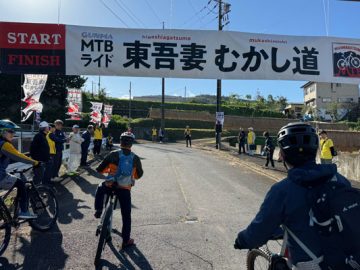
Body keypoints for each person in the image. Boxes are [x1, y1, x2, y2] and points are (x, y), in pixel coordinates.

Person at [234, 123, 351, 269]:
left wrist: (241, 240)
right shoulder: (340, 180)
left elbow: (257, 233)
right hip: (348, 259)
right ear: (315, 151)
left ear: (282, 155)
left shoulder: (282, 191)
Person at [94, 132, 143, 249]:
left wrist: (109, 171)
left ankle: (99, 210)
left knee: (100, 188)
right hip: (124, 189)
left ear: (120, 142)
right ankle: (126, 240)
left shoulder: (112, 154)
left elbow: (99, 169)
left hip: (110, 185)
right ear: (131, 144)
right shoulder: (135, 158)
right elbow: (138, 175)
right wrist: (131, 175)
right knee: (126, 215)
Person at [0, 128, 39, 219]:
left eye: (13, 132)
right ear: (3, 132)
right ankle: (24, 212)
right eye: (10, 132)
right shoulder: (4, 144)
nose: (12, 134)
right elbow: (18, 156)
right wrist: (35, 162)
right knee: (21, 184)